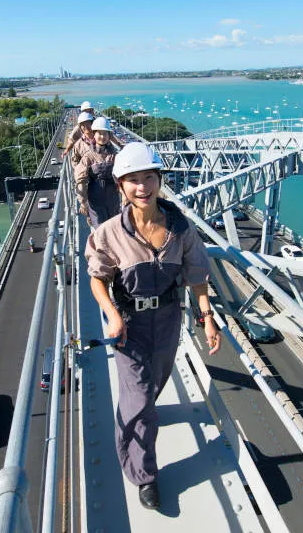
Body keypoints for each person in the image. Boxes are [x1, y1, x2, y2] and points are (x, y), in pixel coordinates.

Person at [85, 142, 220, 510]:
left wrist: (207, 319)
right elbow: (97, 278)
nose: (142, 187)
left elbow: (196, 275)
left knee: (152, 388)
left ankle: (133, 420)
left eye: (149, 177)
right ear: (121, 187)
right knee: (142, 400)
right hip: (129, 325)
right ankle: (145, 475)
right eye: (133, 180)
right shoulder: (109, 233)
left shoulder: (180, 228)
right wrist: (112, 314)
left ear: (160, 180)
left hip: (168, 320)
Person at [75, 117, 120, 228]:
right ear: (94, 134)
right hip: (95, 201)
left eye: (105, 134)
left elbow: (123, 177)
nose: (102, 137)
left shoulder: (114, 155)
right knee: (101, 230)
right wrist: (83, 201)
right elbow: (81, 180)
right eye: (99, 133)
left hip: (113, 200)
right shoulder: (88, 156)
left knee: (114, 228)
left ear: (109, 136)